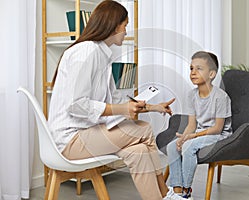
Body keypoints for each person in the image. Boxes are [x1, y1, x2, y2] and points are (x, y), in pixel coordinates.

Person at [48, 1, 185, 200]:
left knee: (138, 151)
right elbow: (76, 104)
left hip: (86, 134)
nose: (126, 31)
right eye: (125, 25)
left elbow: (119, 101)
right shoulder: (87, 52)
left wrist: (153, 107)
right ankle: (166, 194)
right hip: (70, 140)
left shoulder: (102, 56)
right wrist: (121, 108)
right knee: (144, 129)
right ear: (113, 26)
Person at [166, 51, 233, 199]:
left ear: (211, 74)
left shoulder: (221, 97)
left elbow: (217, 128)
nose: (193, 72)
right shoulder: (191, 95)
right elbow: (191, 125)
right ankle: (176, 190)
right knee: (173, 146)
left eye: (199, 69)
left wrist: (192, 137)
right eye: (191, 68)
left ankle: (186, 191)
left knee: (189, 146)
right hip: (200, 132)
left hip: (219, 135)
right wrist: (183, 137)